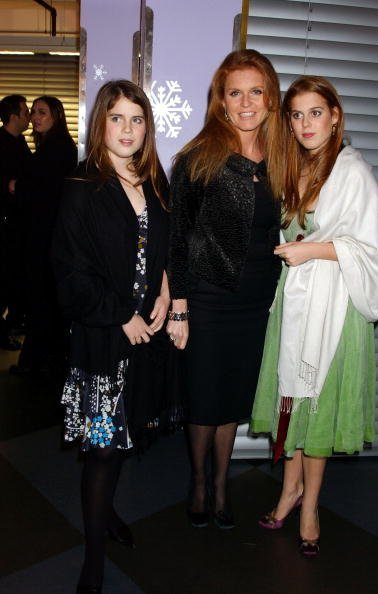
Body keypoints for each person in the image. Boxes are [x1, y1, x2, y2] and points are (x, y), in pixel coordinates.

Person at [250, 75, 378, 556]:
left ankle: (310, 507)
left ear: (334, 116)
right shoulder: (297, 167)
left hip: (335, 309)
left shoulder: (352, 171)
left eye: (315, 112)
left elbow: (371, 251)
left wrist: (312, 252)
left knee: (319, 409)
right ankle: (290, 491)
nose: (305, 123)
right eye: (296, 114)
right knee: (293, 399)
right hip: (296, 302)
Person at [51, 80, 177, 594]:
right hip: (104, 343)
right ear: (101, 122)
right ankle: (94, 557)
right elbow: (70, 273)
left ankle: (107, 515)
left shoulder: (155, 183)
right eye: (118, 118)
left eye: (138, 119)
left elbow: (164, 246)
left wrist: (168, 292)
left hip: (145, 341)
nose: (128, 129)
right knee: (102, 450)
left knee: (125, 441)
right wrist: (120, 315)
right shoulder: (83, 188)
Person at [167, 49, 283, 529]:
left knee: (232, 398)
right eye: (235, 92)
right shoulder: (199, 158)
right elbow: (176, 239)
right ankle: (199, 482)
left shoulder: (281, 157)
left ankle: (221, 484)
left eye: (255, 90)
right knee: (205, 397)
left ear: (270, 97)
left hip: (256, 301)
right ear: (221, 100)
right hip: (209, 298)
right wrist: (179, 309)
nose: (246, 102)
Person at [10, 96, 77, 377]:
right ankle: (42, 361)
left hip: (46, 235)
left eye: (42, 112)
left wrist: (18, 186)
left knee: (42, 299)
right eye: (34, 112)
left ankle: (36, 363)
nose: (36, 117)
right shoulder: (53, 145)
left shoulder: (57, 147)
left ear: (56, 116)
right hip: (46, 234)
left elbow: (44, 191)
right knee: (44, 299)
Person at [0, 94, 31, 349]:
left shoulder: (20, 142)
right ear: (13, 117)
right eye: (25, 111)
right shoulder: (2, 143)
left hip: (17, 223)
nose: (29, 116)